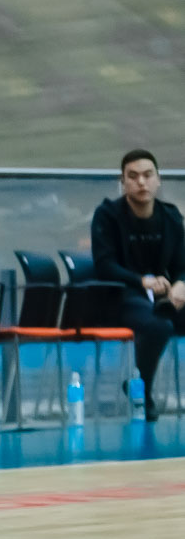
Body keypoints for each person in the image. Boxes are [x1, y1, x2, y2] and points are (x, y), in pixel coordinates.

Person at [91, 148, 185, 422]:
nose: (141, 182)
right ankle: (143, 388)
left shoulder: (170, 217)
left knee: (164, 316)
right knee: (159, 325)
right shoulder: (107, 215)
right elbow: (104, 264)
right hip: (121, 296)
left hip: (163, 297)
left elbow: (182, 264)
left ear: (158, 179)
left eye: (147, 175)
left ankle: (138, 384)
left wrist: (181, 284)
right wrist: (142, 281)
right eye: (133, 177)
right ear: (123, 182)